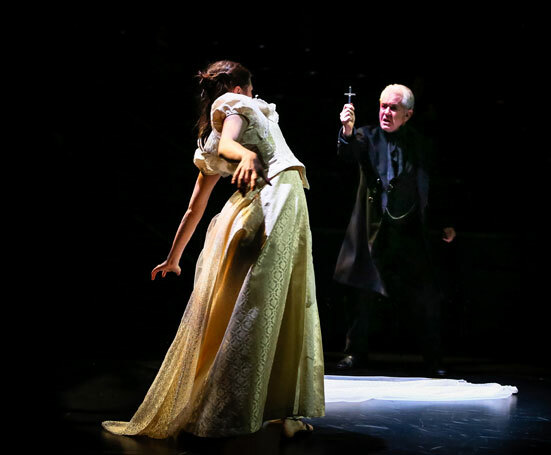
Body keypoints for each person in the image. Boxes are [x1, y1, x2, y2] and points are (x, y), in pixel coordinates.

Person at [102, 60, 325, 439]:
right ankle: (235, 411)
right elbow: (229, 143)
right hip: (275, 201)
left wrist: (174, 258)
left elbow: (195, 207)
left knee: (273, 303)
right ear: (240, 88)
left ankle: (272, 407)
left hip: (265, 206)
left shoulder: (214, 135)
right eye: (251, 90)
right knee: (266, 306)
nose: (254, 97)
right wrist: (248, 155)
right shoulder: (236, 106)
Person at [334, 84, 456, 376]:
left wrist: (445, 222)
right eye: (383, 106)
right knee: (362, 293)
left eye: (393, 108)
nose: (386, 113)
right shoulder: (366, 135)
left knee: (424, 297)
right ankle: (354, 354)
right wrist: (347, 131)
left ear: (408, 114)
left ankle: (433, 360)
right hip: (373, 232)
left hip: (410, 233)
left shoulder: (420, 143)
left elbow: (434, 186)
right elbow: (347, 154)